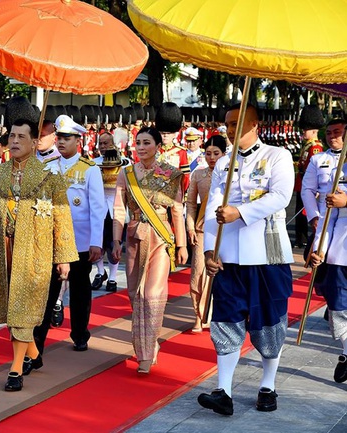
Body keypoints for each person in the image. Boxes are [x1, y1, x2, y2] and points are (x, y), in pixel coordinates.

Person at [0, 118, 78, 392]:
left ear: (34, 142)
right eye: (12, 136)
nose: (14, 141)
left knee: (22, 308)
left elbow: (63, 218)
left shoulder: (50, 179)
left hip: (36, 253)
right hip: (3, 250)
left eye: (21, 137)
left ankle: (15, 369)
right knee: (10, 306)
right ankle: (34, 355)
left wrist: (63, 257)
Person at [198, 104, 294, 416]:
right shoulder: (223, 163)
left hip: (267, 254)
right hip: (230, 257)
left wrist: (240, 211)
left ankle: (268, 386)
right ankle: (223, 390)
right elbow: (213, 209)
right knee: (225, 319)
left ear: (255, 124)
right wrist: (209, 251)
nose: (229, 128)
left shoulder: (277, 156)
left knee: (268, 321)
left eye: (237, 123)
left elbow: (281, 195)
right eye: (226, 123)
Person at [111, 126, 188, 374]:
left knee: (152, 294)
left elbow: (177, 210)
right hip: (134, 236)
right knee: (135, 294)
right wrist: (115, 241)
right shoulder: (126, 173)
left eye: (146, 142)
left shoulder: (170, 175)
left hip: (161, 237)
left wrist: (182, 244)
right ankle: (148, 341)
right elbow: (119, 210)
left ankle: (144, 354)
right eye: (138, 143)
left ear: (157, 145)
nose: (141, 147)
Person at [35, 115, 106, 355]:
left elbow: (98, 208)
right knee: (49, 291)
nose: (62, 141)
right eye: (60, 137)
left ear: (78, 140)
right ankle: (39, 340)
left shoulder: (89, 170)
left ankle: (79, 334)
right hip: (52, 240)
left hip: (80, 240)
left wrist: (97, 241)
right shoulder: (48, 166)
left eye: (67, 138)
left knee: (79, 290)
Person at [309, 169, 347, 384]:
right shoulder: (339, 170)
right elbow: (328, 216)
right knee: (338, 307)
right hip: (340, 251)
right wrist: (320, 248)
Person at [185, 135, 226, 333]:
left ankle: (221, 313)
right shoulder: (198, 175)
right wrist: (190, 228)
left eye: (216, 154)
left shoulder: (232, 173)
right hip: (203, 228)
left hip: (228, 229)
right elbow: (191, 204)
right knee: (198, 272)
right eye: (208, 154)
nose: (211, 158)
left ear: (224, 154)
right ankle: (199, 315)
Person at [301, 118, 344, 258]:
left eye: (337, 133)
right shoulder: (318, 159)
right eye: (328, 133)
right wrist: (314, 216)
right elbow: (307, 189)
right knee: (320, 259)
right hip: (324, 215)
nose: (332, 137)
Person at [91, 131, 126, 292]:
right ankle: (100, 271)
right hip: (97, 209)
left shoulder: (125, 163)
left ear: (113, 144)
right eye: (101, 144)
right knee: (97, 243)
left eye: (107, 143)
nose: (103, 147)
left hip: (116, 208)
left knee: (114, 245)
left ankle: (112, 277)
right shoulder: (92, 164)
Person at [294, 105, 325, 250]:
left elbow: (314, 169)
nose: (303, 132)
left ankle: (305, 239)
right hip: (301, 184)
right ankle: (300, 239)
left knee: (305, 214)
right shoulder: (307, 145)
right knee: (299, 213)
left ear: (314, 131)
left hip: (308, 184)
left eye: (306, 130)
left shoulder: (316, 147)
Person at [155, 103, 190, 192]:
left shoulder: (181, 152)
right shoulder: (154, 150)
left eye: (168, 133)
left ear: (174, 134)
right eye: (162, 133)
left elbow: (185, 177)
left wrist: (181, 193)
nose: (165, 136)